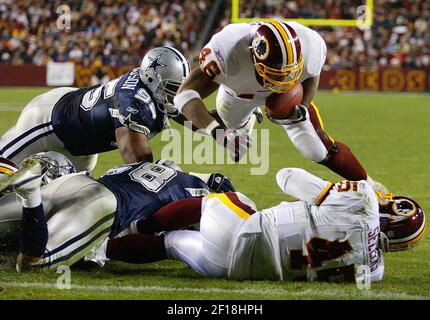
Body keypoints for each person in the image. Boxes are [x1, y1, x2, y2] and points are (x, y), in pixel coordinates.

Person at [173, 19, 387, 192]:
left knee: (317, 149)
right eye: (277, 74)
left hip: (287, 97)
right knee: (228, 123)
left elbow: (312, 73)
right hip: (239, 95)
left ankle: (371, 186)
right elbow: (185, 95)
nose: (282, 79)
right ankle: (245, 120)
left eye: (289, 72)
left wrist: (303, 104)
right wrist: (219, 133)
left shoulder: (310, 43)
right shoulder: (228, 50)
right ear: (253, 56)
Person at [103, 168, 426, 283]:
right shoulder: (374, 272)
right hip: (235, 269)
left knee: (231, 199)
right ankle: (99, 250)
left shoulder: (366, 200)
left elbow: (285, 177)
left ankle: (138, 226)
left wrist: (329, 194)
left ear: (389, 211)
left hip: (244, 230)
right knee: (171, 244)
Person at [0, 156, 235, 272]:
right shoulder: (194, 191)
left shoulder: (140, 168)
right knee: (34, 262)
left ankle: (28, 184)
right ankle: (31, 191)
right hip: (101, 204)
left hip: (73, 183)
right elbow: (200, 226)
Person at [0, 46, 190, 172]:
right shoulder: (133, 102)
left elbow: (192, 116)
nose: (177, 94)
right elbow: (139, 165)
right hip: (49, 120)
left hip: (84, 148)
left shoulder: (154, 93)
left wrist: (217, 128)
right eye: (173, 88)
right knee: (4, 169)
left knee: (65, 204)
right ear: (152, 78)